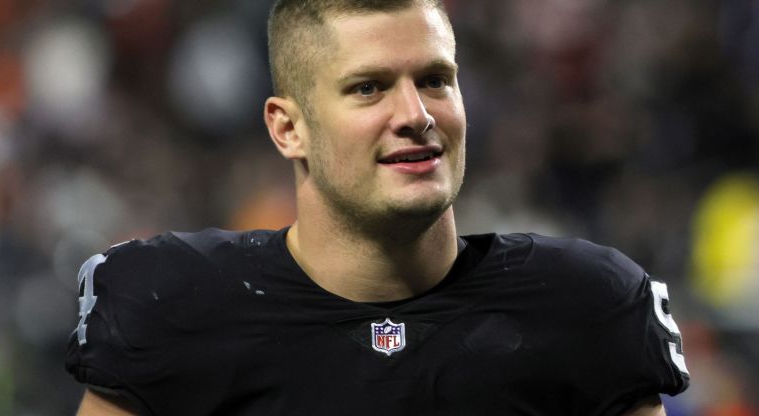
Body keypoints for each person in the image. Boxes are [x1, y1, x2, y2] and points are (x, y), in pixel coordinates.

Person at [66, 0, 690, 414]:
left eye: (435, 80)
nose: (416, 116)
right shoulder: (169, 307)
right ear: (289, 129)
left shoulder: (588, 305)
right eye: (369, 88)